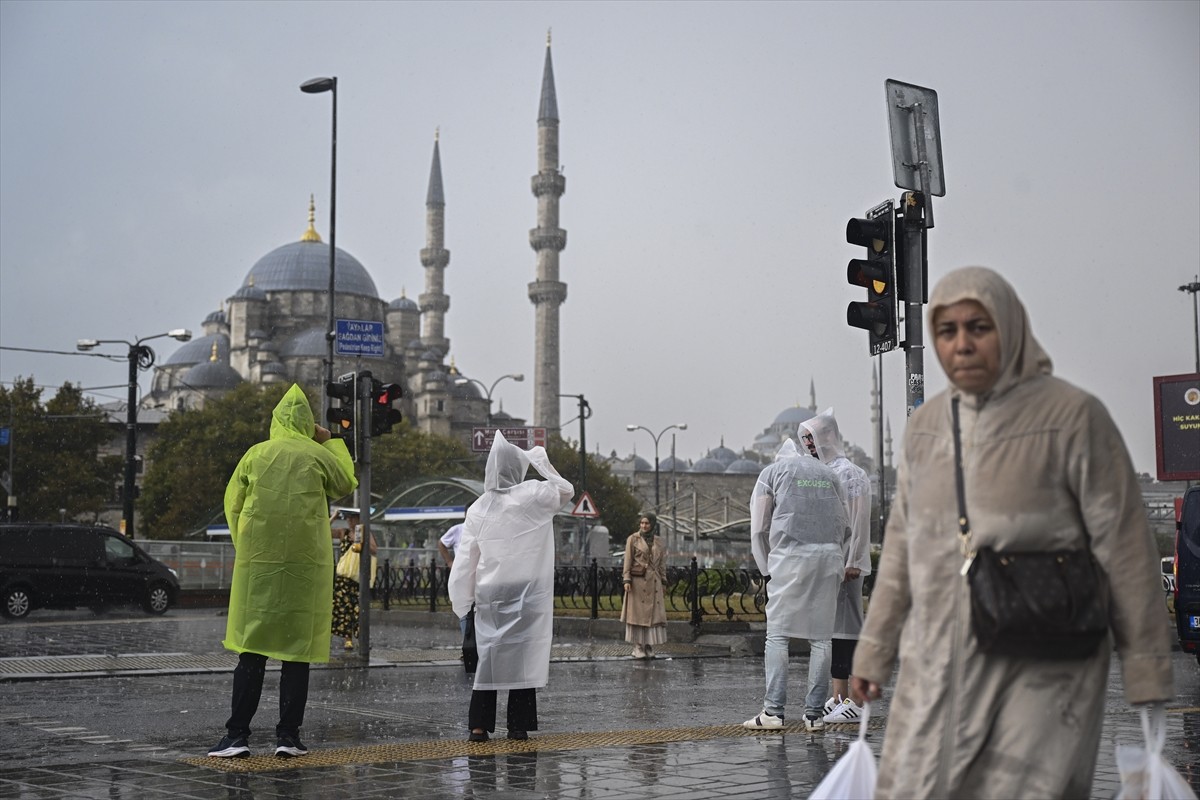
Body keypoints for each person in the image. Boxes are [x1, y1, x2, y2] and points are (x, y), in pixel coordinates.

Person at [851, 267, 1173, 798]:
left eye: (979, 327)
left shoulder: (1072, 418)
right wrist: (874, 651)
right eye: (947, 331)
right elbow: (902, 551)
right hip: (934, 665)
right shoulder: (926, 427)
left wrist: (1147, 671)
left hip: (1043, 667)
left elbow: (1126, 551)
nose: (962, 345)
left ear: (1010, 327)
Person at [207, 384, 357, 759]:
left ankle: (237, 735)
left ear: (275, 421)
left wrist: (248, 548)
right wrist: (331, 440)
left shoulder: (257, 454)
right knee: (296, 654)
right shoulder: (316, 456)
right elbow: (345, 482)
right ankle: (288, 737)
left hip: (259, 566)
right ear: (308, 424)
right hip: (305, 568)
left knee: (252, 651)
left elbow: (233, 505)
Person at [447, 431, 573, 742]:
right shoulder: (533, 496)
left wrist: (462, 604)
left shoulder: (478, 508)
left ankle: (479, 725)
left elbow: (466, 561)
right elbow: (565, 490)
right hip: (526, 591)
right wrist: (539, 459)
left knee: (487, 660)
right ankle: (518, 724)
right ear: (519, 467)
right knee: (523, 656)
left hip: (491, 594)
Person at [741, 438, 849, 733]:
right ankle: (814, 715)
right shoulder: (830, 476)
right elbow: (846, 526)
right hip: (829, 560)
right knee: (821, 638)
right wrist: (836, 558)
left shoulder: (773, 472)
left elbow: (759, 527)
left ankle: (773, 711)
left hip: (789, 560)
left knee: (777, 635)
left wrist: (766, 569)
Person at [796, 409, 873, 725]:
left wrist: (853, 559)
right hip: (829, 561)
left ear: (829, 436)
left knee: (849, 629)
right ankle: (840, 695)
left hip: (846, 564)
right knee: (834, 631)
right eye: (807, 442)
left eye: (814, 439)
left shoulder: (849, 473)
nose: (811, 447)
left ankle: (857, 700)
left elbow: (858, 520)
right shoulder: (821, 472)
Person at [621, 513, 668, 659]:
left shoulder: (659, 541)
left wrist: (664, 581)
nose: (644, 526)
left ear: (652, 524)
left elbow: (661, 564)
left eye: (647, 523)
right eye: (642, 523)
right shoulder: (633, 539)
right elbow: (627, 560)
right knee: (637, 615)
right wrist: (626, 579)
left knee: (652, 616)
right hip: (638, 582)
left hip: (654, 582)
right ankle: (637, 646)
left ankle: (648, 645)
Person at [331, 509, 377, 652]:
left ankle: (362, 639)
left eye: (352, 518)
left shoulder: (363, 532)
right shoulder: (342, 532)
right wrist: (333, 517)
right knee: (344, 610)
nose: (349, 521)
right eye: (347, 518)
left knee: (358, 610)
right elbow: (323, 530)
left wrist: (359, 541)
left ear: (359, 519)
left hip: (358, 579)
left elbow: (374, 550)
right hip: (344, 579)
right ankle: (348, 639)